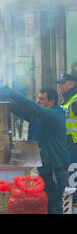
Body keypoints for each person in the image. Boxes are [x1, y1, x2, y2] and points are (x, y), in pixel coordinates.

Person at [0, 86, 70, 214]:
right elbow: (22, 111)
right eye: (37, 98)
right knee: (46, 201)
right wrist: (5, 101)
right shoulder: (40, 114)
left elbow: (33, 107)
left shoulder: (54, 114)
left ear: (51, 101)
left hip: (56, 167)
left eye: (41, 99)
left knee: (55, 203)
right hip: (45, 165)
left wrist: (12, 94)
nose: (38, 101)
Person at [57, 73, 77, 203]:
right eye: (59, 83)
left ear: (72, 84)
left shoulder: (75, 101)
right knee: (68, 180)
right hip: (67, 146)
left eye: (63, 83)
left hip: (74, 146)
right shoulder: (66, 101)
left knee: (73, 181)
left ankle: (74, 207)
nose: (60, 86)